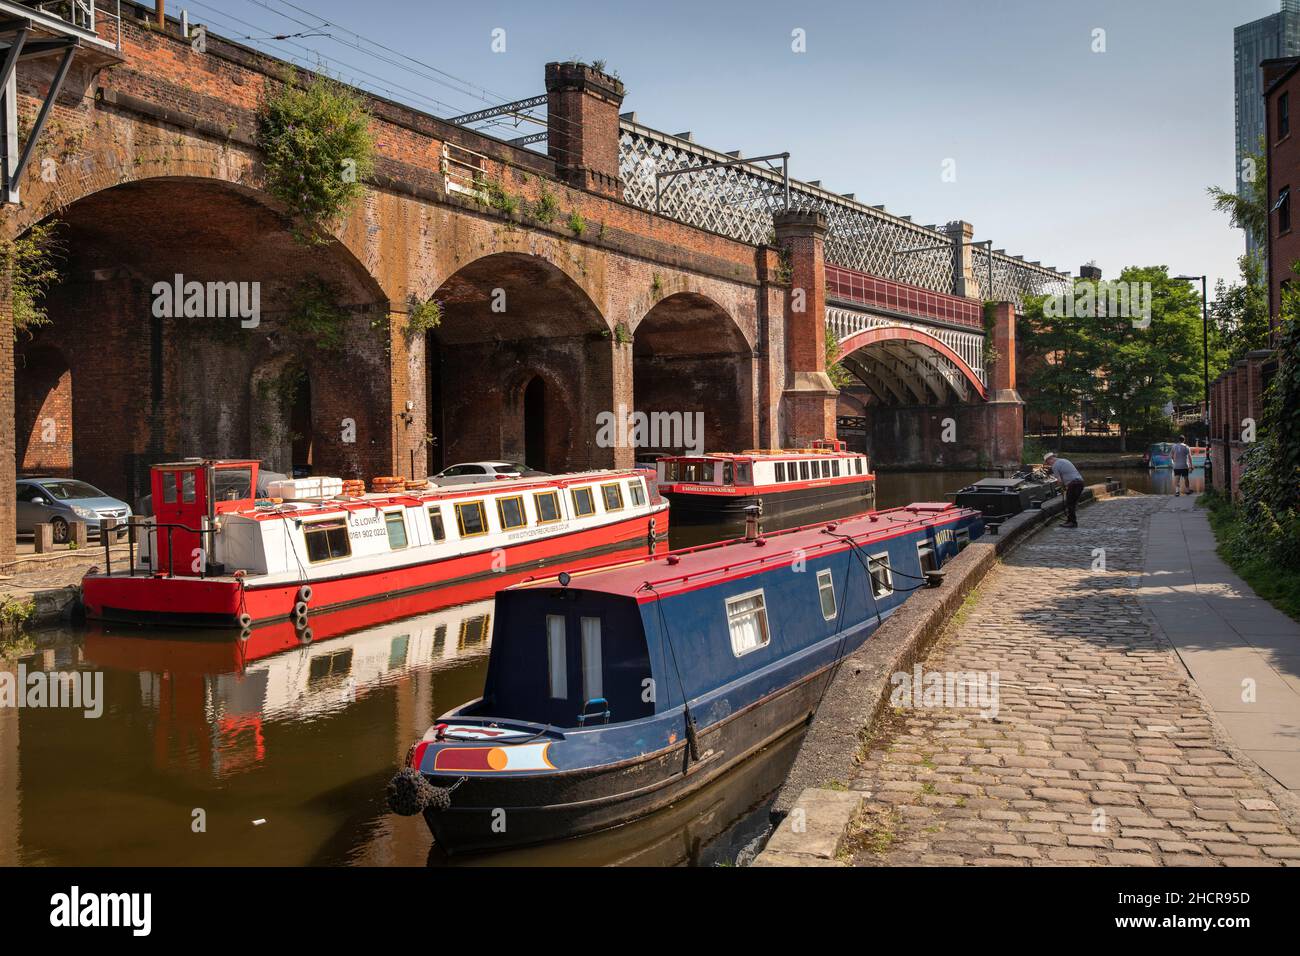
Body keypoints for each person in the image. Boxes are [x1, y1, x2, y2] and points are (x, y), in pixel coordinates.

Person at [1043, 452, 1084, 528]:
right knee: (1071, 503)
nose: (1048, 464)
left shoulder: (1055, 465)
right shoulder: (1065, 460)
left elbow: (1059, 480)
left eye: (1047, 462)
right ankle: (1070, 520)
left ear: (1050, 459)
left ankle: (1072, 523)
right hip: (1080, 483)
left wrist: (1061, 488)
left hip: (1073, 484)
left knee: (1070, 504)